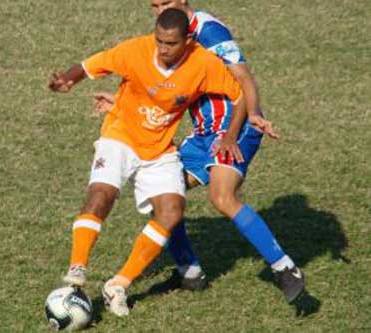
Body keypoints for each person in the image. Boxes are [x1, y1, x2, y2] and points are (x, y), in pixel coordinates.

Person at [93, 0, 305, 304]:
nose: (159, 10)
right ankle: (189, 272)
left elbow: (244, 80)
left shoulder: (210, 32)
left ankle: (285, 268)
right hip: (205, 134)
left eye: (165, 3)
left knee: (222, 196)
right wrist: (121, 104)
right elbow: (167, 91)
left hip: (236, 126)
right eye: (154, 5)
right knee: (164, 199)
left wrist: (237, 130)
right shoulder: (171, 36)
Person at [49, 8, 246, 316]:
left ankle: (118, 285)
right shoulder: (136, 50)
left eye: (170, 44)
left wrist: (233, 134)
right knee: (102, 194)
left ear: (188, 41)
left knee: (171, 211)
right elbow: (91, 66)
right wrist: (67, 80)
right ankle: (77, 269)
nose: (163, 49)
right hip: (120, 136)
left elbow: (240, 95)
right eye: (159, 41)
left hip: (159, 149)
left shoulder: (204, 63)